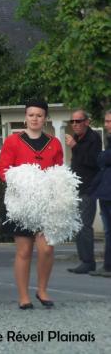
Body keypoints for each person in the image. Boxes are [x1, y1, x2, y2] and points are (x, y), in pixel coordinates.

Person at [0, 100, 63, 309]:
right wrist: (24, 182)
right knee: (24, 251)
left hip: (46, 203)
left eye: (39, 115)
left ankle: (42, 290)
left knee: (46, 249)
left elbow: (59, 172)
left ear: (46, 118)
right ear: (26, 117)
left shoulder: (54, 143)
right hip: (21, 203)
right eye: (31, 115)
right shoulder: (13, 141)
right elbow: (2, 169)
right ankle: (23, 296)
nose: (35, 119)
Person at [64, 110, 102, 274]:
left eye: (78, 121)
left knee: (84, 225)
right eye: (72, 121)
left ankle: (88, 262)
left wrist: (75, 147)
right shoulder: (79, 138)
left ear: (86, 122)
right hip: (78, 187)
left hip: (88, 188)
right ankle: (84, 261)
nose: (74, 124)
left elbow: (92, 162)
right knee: (78, 225)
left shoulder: (93, 138)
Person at [89, 109, 111, 278]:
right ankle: (107, 265)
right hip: (105, 192)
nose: (106, 125)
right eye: (106, 121)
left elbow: (103, 159)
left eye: (109, 121)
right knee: (108, 231)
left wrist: (104, 156)